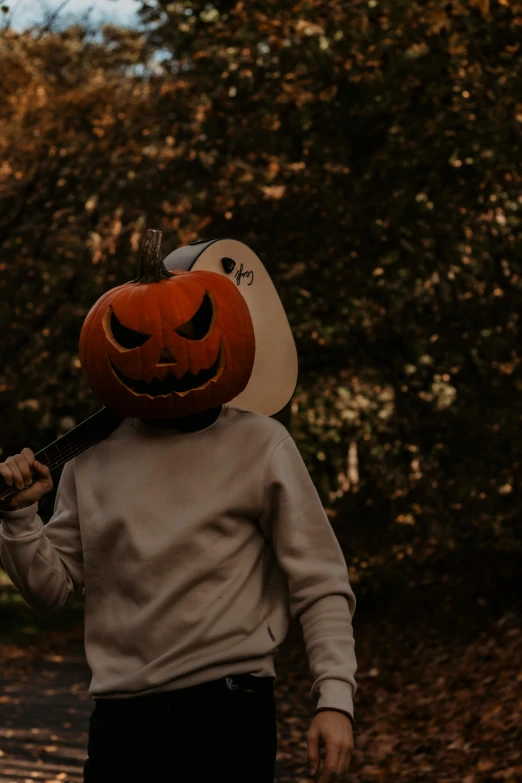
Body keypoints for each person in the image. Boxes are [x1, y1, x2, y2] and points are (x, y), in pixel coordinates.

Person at [0, 231, 358, 783]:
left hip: (230, 709)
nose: (165, 353)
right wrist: (21, 518)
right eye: (133, 336)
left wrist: (334, 698)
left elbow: (320, 581)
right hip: (123, 722)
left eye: (191, 330)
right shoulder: (88, 459)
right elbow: (52, 593)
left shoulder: (261, 447)